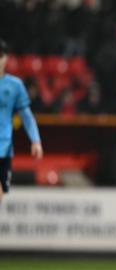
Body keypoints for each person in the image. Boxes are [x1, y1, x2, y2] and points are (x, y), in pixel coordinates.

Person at [0, 38, 43, 201]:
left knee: (1, 192)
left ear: (6, 58)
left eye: (1, 55)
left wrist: (36, 140)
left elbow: (26, 115)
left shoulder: (15, 85)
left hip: (4, 147)